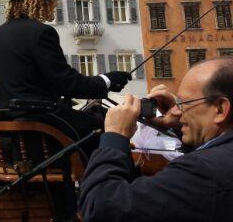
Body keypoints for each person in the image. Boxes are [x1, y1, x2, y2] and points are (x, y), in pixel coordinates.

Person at [0, 0, 130, 155]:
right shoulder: (40, 32)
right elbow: (68, 83)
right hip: (41, 125)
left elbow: (32, 81)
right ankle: (109, 181)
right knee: (110, 124)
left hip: (12, 126)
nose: (55, 3)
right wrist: (107, 80)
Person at [79, 58, 233, 221]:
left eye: (184, 102)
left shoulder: (201, 171)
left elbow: (100, 208)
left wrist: (115, 135)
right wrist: (177, 126)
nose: (178, 111)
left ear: (220, 109)